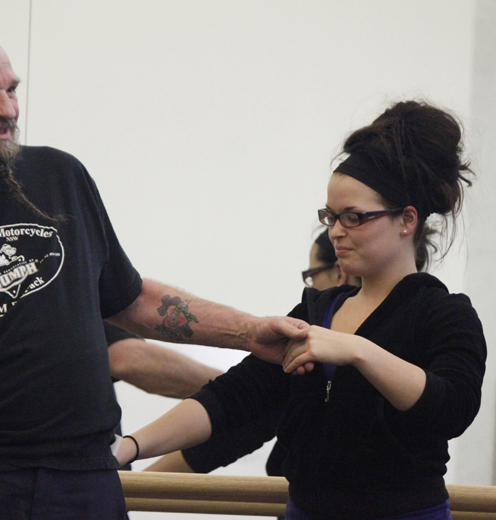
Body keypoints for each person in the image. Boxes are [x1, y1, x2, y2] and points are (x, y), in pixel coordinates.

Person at [0, 28, 307, 520]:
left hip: (84, 476)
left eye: (11, 89)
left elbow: (133, 301)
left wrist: (252, 333)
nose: (8, 109)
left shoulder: (59, 177)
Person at [117, 100, 487, 520]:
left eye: (353, 218)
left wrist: (357, 350)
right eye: (330, 217)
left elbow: (452, 407)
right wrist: (131, 445)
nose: (336, 232)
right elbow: (234, 398)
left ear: (406, 220)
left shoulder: (443, 313)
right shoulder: (317, 310)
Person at [146, 229, 359, 475]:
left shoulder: (309, 351)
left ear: (340, 273)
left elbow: (236, 429)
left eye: (312, 275)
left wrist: (129, 475)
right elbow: (237, 410)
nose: (311, 287)